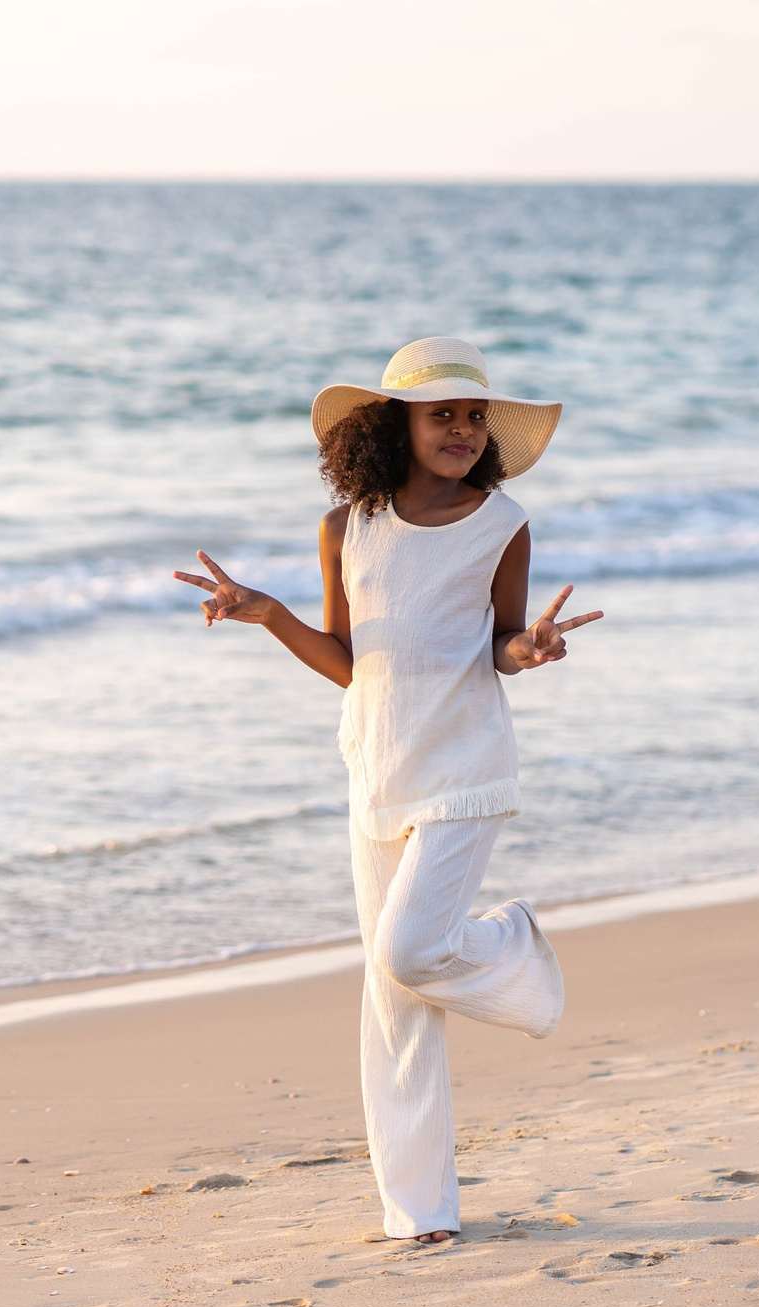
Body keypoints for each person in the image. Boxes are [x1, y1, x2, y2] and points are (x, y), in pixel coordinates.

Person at [177, 337, 601, 1245]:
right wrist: (270, 613)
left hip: (467, 769)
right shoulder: (347, 529)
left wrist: (529, 651)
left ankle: (515, 948)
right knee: (395, 999)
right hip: (376, 769)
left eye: (474, 415)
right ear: (395, 424)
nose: (461, 429)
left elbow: (505, 642)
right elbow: (351, 665)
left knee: (409, 953)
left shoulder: (502, 522)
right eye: (441, 413)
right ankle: (419, 1212)